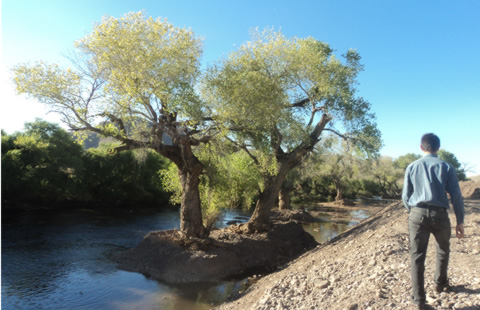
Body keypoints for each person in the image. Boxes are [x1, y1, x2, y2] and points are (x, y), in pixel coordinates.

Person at [402, 133, 465, 310]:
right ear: (438, 148)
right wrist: (460, 221)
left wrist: (413, 212)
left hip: (417, 214)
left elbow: (405, 196)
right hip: (440, 215)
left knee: (417, 256)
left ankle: (419, 301)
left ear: (421, 147)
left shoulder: (412, 167)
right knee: (443, 249)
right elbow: (456, 196)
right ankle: (440, 283)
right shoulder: (447, 167)